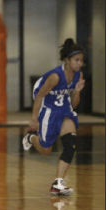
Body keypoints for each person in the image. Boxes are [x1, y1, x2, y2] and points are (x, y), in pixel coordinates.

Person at [22, 38, 85, 196]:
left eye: (81, 61)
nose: (79, 64)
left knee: (70, 144)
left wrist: (77, 91)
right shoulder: (55, 76)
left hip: (63, 108)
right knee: (46, 150)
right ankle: (31, 138)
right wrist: (34, 119)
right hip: (47, 106)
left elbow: (74, 104)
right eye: (76, 60)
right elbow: (39, 97)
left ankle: (58, 183)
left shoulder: (78, 75)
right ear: (67, 60)